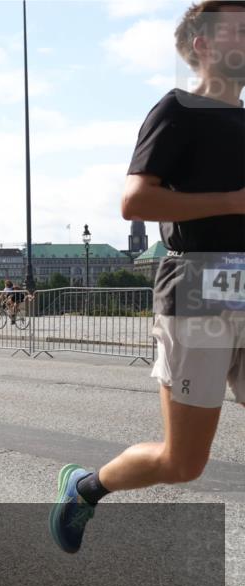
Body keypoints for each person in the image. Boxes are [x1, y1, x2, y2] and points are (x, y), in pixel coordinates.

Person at [50, 0, 245, 554]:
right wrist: (235, 201)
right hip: (200, 288)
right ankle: (86, 488)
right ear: (203, 43)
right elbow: (136, 201)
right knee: (182, 462)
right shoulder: (179, 109)